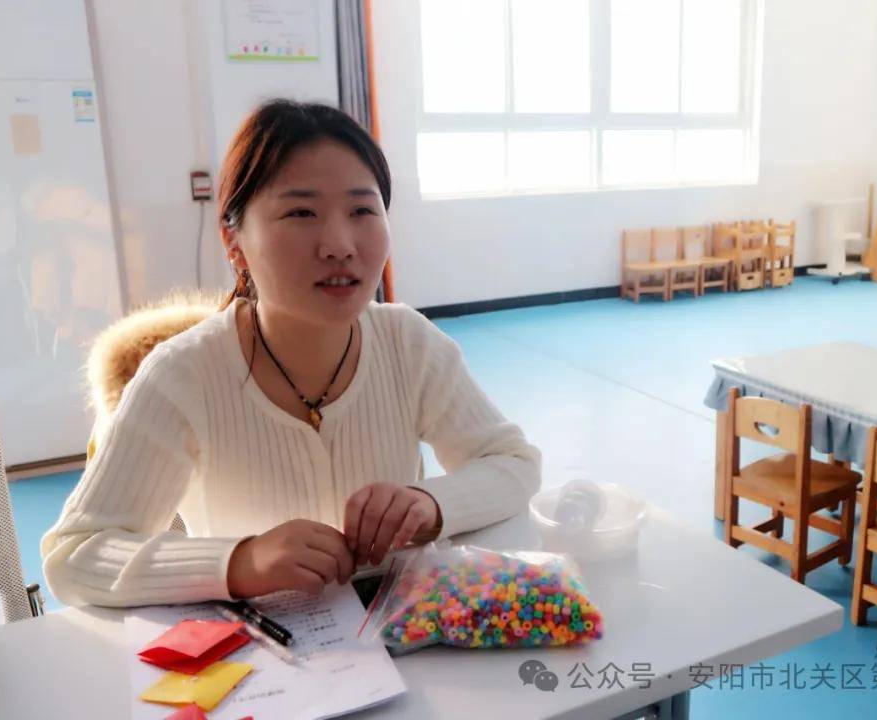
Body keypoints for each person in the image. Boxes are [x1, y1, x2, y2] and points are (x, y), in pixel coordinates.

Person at [41, 99, 541, 607]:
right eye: (301, 213)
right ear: (234, 242)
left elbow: (513, 462)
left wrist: (429, 503)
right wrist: (240, 562)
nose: (339, 245)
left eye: (362, 210)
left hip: (403, 629)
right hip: (257, 646)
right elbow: (75, 555)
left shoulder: (408, 343)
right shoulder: (182, 374)